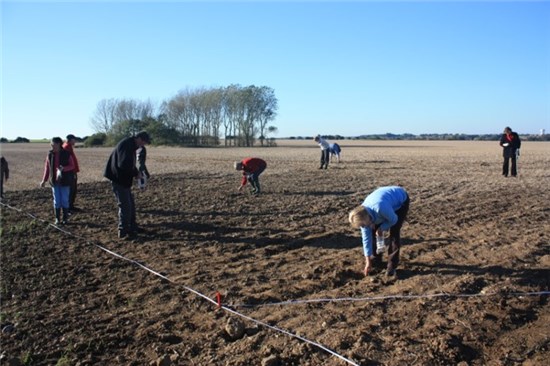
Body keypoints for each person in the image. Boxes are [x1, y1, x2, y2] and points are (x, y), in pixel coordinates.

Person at [348, 186, 410, 278]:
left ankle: (392, 266)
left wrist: (382, 228)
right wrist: (368, 261)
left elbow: (394, 219)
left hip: (400, 199)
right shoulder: (362, 218)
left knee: (394, 233)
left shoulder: (379, 207)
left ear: (367, 218)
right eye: (362, 226)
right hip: (383, 203)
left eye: (363, 225)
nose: (363, 227)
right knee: (373, 231)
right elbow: (366, 240)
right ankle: (376, 260)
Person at [104, 131, 151, 239]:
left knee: (130, 204)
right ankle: (123, 230)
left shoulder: (131, 145)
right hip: (119, 179)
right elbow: (124, 164)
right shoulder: (127, 145)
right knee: (125, 205)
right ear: (138, 138)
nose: (143, 145)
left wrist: (135, 172)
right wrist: (136, 173)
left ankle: (133, 226)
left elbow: (128, 164)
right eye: (143, 142)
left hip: (123, 179)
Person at [40, 137, 76, 225]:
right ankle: (57, 219)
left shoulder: (66, 154)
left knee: (64, 200)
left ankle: (65, 218)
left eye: (54, 145)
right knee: (57, 200)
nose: (52, 146)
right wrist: (44, 180)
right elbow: (47, 168)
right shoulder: (50, 155)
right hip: (54, 181)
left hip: (65, 181)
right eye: (51, 145)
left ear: (59, 144)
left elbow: (72, 166)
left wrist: (64, 168)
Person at [62, 134, 80, 211]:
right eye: (74, 139)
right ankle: (69, 207)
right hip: (70, 172)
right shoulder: (66, 148)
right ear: (70, 140)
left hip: (72, 171)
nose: (75, 141)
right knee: (71, 189)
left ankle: (70, 206)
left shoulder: (68, 147)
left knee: (73, 189)